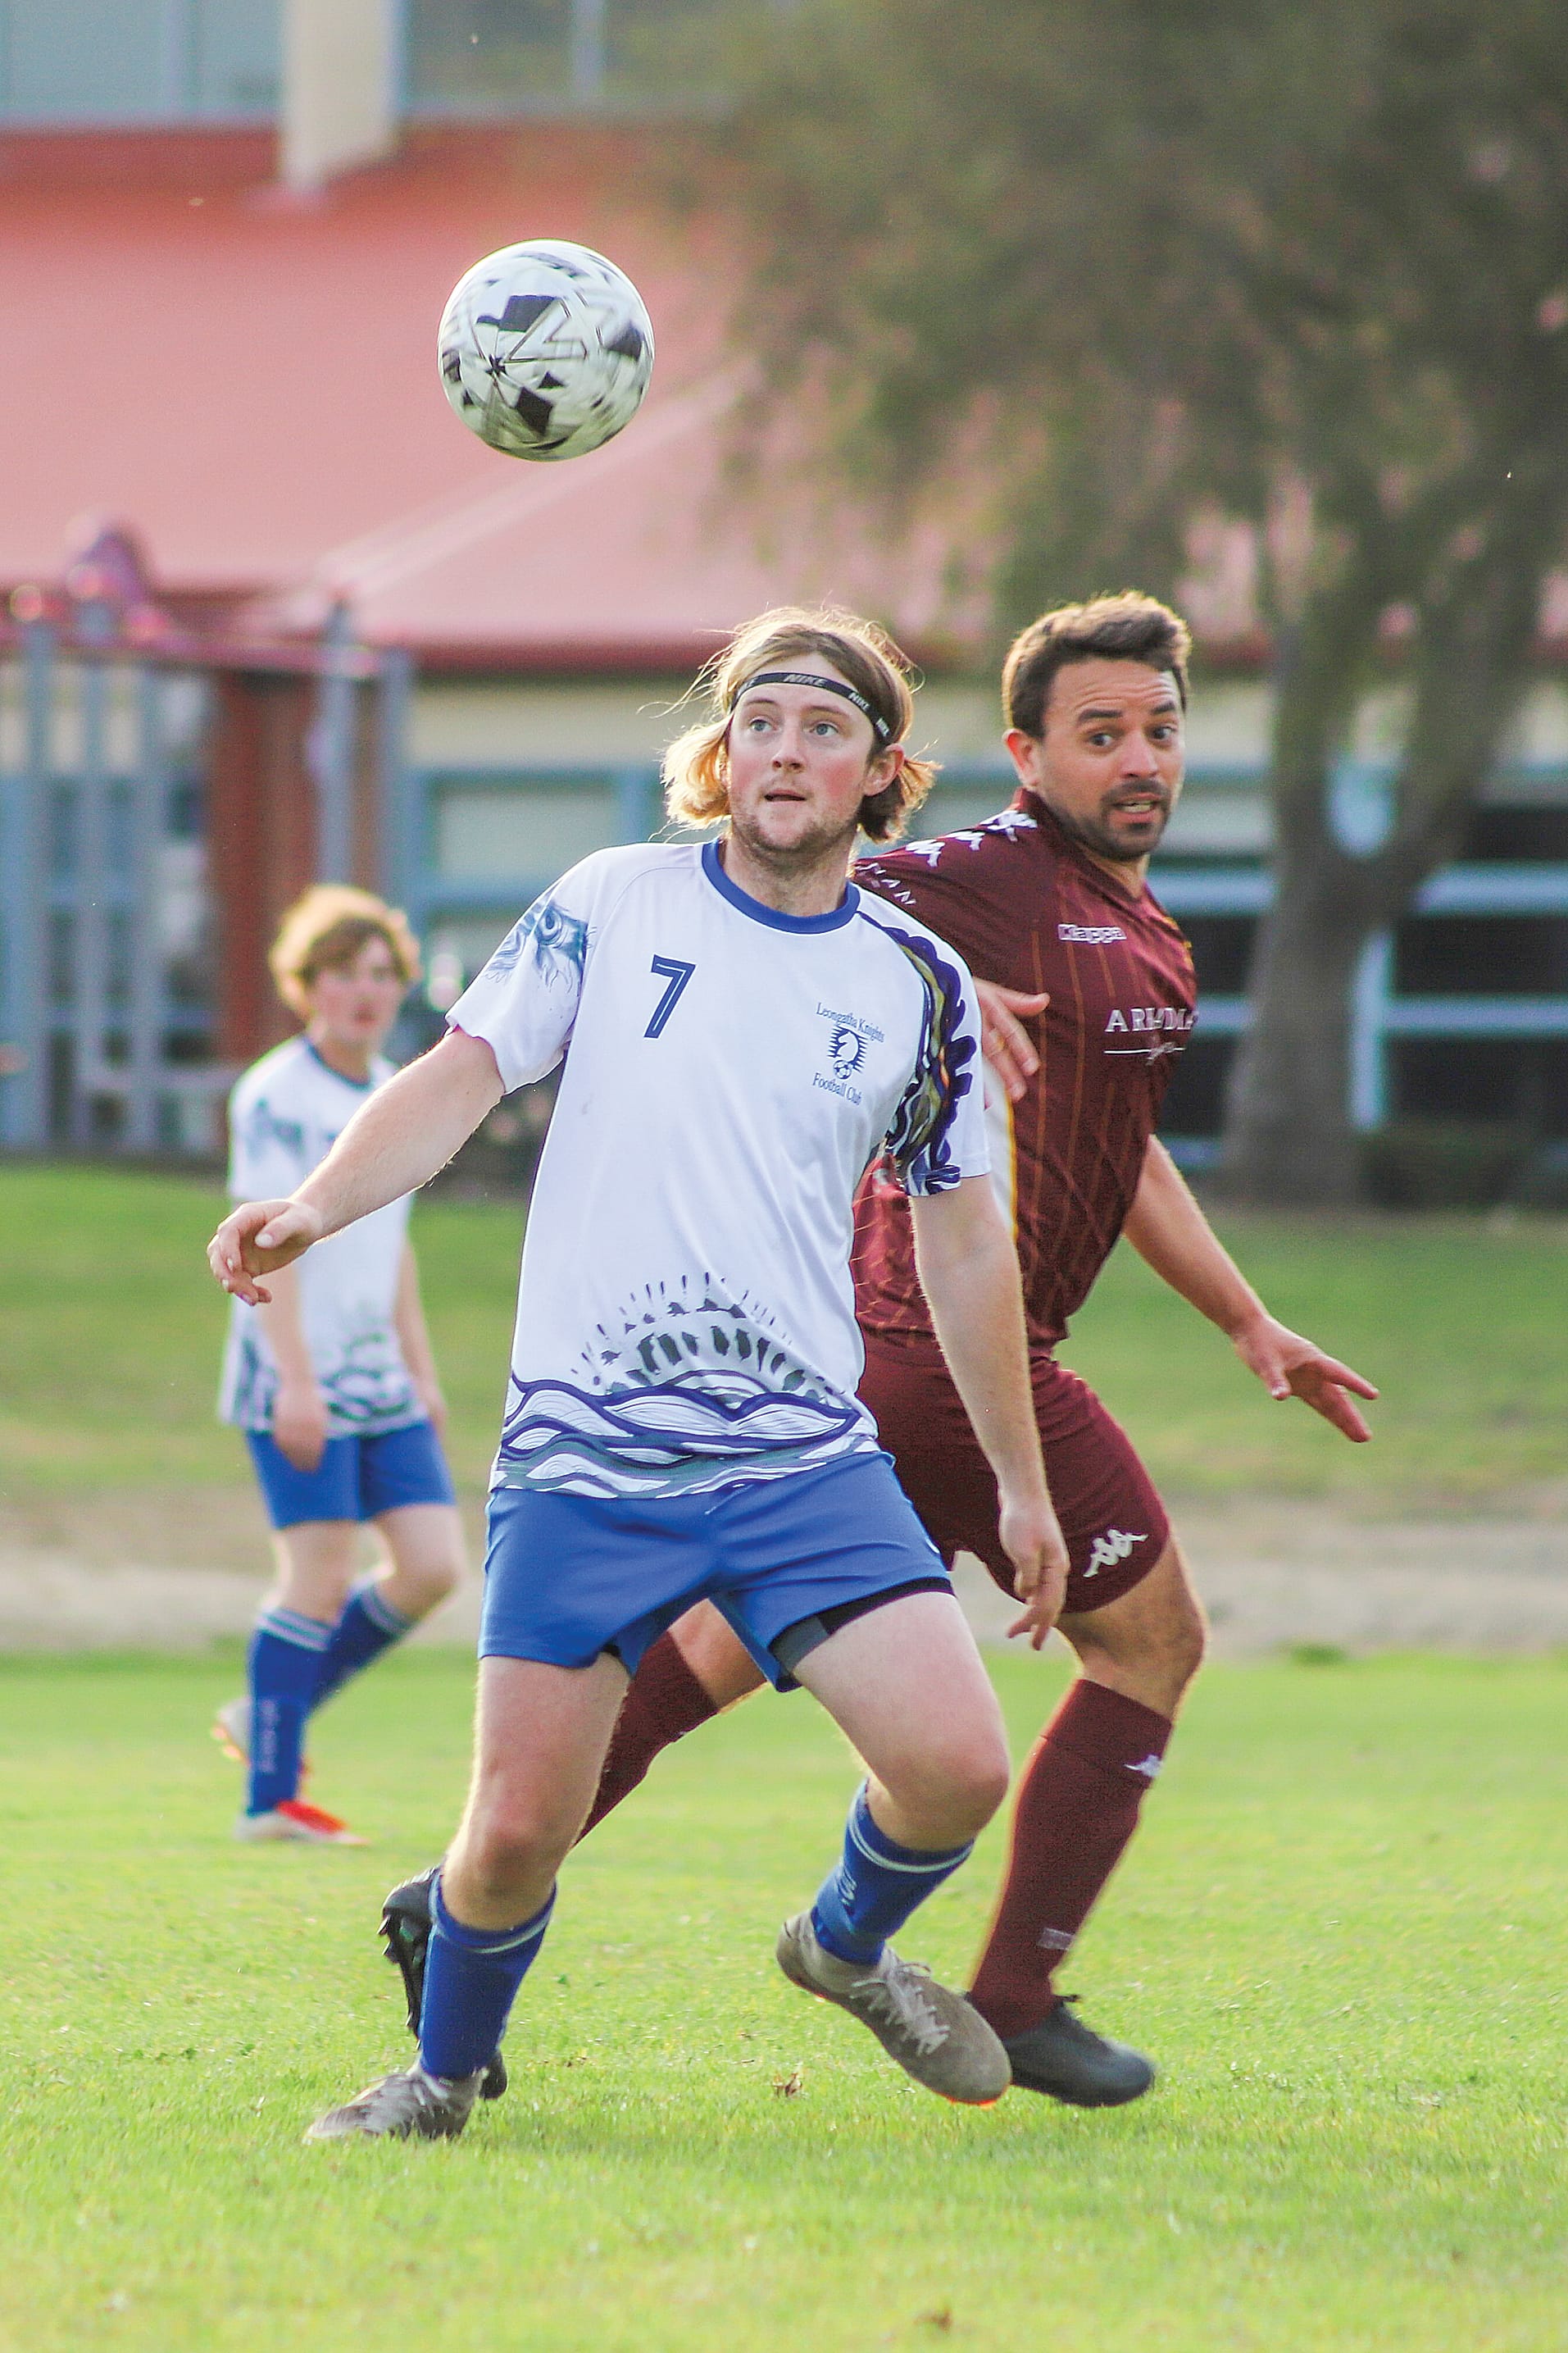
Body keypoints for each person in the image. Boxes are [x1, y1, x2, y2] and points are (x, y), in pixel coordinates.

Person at [379, 592, 1378, 2112]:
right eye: (1098, 734)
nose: (1136, 760)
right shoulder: (982, 874)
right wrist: (925, 963)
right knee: (1148, 1642)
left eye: (1159, 731)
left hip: (886, 1367)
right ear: (1021, 754)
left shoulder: (1139, 928)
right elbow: (803, 878)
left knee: (717, 1644)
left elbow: (1118, 1148)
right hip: (921, 1346)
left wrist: (1243, 1319)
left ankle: (462, 1893)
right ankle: (1002, 1989)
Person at [209, 608, 1068, 2142]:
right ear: (719, 754)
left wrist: (1017, 1483)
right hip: (585, 1457)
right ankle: (441, 2077)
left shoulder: (915, 981)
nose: (785, 752)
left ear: (880, 770)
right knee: (511, 1836)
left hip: (803, 1456)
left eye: (822, 727)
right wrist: (318, 1204)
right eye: (759, 723)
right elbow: (458, 1074)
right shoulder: (613, 901)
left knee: (952, 1769)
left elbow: (965, 1246)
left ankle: (843, 1946)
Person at [214, 886, 465, 1846]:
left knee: (432, 1565)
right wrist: (295, 1381)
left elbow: (388, 1245)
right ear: (306, 984)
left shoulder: (392, 1091)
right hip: (297, 1372)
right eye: (342, 973)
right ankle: (268, 1800)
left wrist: (422, 1369)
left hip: (379, 1378)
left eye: (379, 973)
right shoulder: (277, 1095)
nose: (363, 991)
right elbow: (263, 1243)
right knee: (316, 1577)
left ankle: (268, 1712)